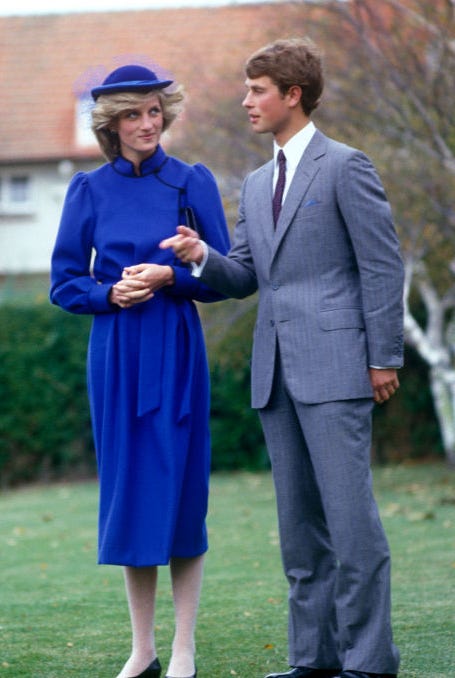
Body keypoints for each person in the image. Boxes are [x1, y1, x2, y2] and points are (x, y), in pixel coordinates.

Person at [161, 38, 404, 678]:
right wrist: (199, 257)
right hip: (276, 375)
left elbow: (381, 267)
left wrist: (383, 357)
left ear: (292, 95)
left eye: (257, 90)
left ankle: (370, 661)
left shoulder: (346, 167)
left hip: (337, 368)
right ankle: (313, 659)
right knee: (299, 532)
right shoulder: (258, 180)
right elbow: (245, 276)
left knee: (352, 527)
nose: (246, 102)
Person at [50, 63, 230, 678]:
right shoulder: (88, 191)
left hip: (175, 347)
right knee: (129, 494)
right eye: (134, 114)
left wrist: (173, 274)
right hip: (117, 352)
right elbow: (65, 284)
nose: (148, 124)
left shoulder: (190, 183)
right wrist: (109, 295)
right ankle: (143, 649)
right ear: (112, 123)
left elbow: (225, 274)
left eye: (155, 111)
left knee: (180, 492)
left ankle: (184, 649)